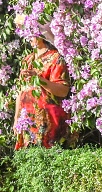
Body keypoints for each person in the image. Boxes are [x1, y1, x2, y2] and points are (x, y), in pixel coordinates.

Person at [12, 20, 71, 149]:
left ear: (41, 35)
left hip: (48, 122)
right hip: (27, 121)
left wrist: (39, 79)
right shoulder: (27, 60)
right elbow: (21, 91)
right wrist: (16, 119)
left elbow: (63, 90)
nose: (28, 37)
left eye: (31, 33)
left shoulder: (56, 58)